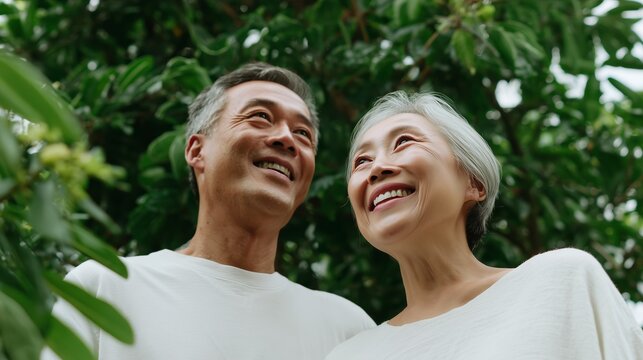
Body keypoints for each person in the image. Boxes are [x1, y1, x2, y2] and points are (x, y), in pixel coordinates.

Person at [44, 63, 375, 359]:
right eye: (261, 116)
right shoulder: (106, 288)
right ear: (196, 150)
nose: (286, 138)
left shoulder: (348, 329)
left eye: (302, 133)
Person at [326, 91, 643, 359]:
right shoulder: (350, 354)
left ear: (473, 183)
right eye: (361, 162)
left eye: (404, 142)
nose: (377, 168)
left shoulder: (560, 282)